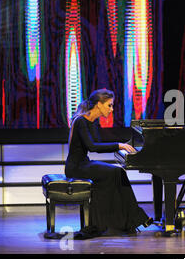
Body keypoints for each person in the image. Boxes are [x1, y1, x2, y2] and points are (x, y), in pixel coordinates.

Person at [65, 88, 153, 238]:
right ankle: (130, 218)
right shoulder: (81, 121)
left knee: (117, 172)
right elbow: (92, 147)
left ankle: (131, 219)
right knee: (115, 172)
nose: (111, 109)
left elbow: (98, 144)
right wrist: (118, 145)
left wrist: (123, 144)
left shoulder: (91, 121)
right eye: (109, 105)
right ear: (99, 104)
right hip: (76, 168)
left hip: (84, 164)